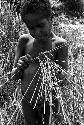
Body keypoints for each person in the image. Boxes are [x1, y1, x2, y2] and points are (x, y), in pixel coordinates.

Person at [11, 0, 68, 125]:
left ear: (51, 18)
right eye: (31, 28)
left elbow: (64, 79)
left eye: (41, 25)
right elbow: (14, 76)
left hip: (50, 102)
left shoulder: (59, 45)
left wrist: (52, 69)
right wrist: (19, 68)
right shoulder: (24, 41)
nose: (36, 32)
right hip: (27, 101)